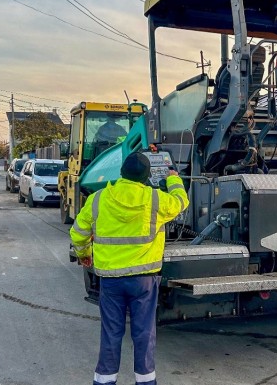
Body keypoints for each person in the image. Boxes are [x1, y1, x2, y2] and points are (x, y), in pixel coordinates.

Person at [70, 151, 188, 385]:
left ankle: (104, 381)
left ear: (121, 173)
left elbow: (78, 233)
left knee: (111, 333)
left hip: (111, 280)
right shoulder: (155, 199)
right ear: (146, 177)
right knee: (144, 334)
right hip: (144, 281)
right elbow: (181, 202)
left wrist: (84, 255)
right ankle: (145, 382)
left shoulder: (98, 199)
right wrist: (173, 179)